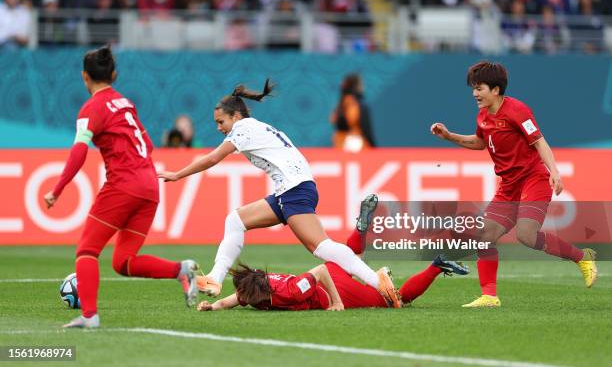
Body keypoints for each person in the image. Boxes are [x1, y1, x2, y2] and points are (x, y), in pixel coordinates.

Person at [157, 80, 401, 308]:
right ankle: (215, 278)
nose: (219, 128)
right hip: (291, 189)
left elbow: (213, 158)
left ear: (236, 116)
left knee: (321, 247)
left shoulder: (242, 129)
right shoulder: (254, 127)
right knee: (236, 220)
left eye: (221, 122)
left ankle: (377, 281)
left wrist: (178, 174)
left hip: (294, 189)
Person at [44, 46, 201, 328]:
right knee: (123, 262)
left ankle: (90, 316)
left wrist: (58, 189)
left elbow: (79, 151)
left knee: (87, 250)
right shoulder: (125, 103)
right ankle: (181, 270)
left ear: (84, 77)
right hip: (150, 186)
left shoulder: (91, 108)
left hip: (124, 184)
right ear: (113, 74)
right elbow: (149, 145)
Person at [430, 61, 597, 308]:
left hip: (533, 178)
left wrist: (555, 172)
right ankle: (489, 296)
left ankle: (582, 257)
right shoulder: (483, 115)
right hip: (508, 185)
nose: (475, 94)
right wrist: (449, 136)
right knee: (485, 235)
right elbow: (480, 142)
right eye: (473, 89)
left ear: (495, 90)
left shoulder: (517, 110)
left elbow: (539, 141)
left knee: (526, 235)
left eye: (480, 88)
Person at [196, 195, 469, 312]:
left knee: (395, 299)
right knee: (347, 254)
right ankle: (360, 229)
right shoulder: (253, 291)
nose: (242, 298)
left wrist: (337, 303)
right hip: (332, 276)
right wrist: (213, 306)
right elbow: (235, 298)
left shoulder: (290, 291)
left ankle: (437, 264)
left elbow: (320, 272)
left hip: (333, 289)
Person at [330, 73, 376, 152]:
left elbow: (333, 120)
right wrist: (374, 147)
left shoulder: (341, 103)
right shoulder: (356, 104)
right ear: (356, 86)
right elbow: (365, 127)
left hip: (340, 145)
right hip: (357, 147)